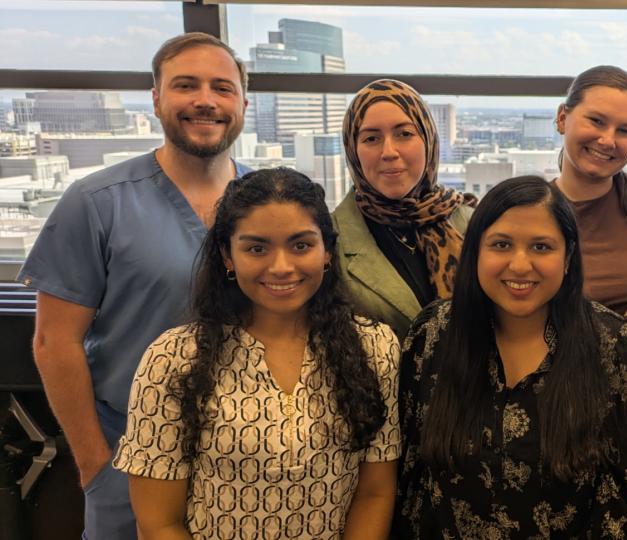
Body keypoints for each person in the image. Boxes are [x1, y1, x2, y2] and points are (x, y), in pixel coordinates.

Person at [18, 32, 251, 539]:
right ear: (156, 99)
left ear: (243, 104)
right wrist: (94, 464)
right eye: (185, 85)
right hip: (128, 455)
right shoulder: (97, 202)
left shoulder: (268, 202)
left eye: (222, 88)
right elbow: (53, 341)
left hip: (249, 457)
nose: (205, 100)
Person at [113, 168, 400, 539]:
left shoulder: (374, 347)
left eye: (301, 245)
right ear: (227, 256)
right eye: (257, 248)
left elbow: (374, 492)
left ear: (327, 251)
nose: (281, 267)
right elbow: (159, 522)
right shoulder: (173, 358)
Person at [395, 176, 627, 538]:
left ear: (568, 257)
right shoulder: (432, 335)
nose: (520, 265)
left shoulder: (616, 344)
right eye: (501, 244)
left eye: (541, 247)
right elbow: (409, 485)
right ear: (475, 252)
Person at [334, 79, 475, 339]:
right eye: (371, 138)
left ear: (428, 140)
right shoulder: (330, 240)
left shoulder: (471, 221)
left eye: (404, 134)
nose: (389, 152)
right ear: (353, 149)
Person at [552, 65, 627, 314]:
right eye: (596, 121)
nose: (607, 141)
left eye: (625, 130)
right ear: (562, 118)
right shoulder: (530, 210)